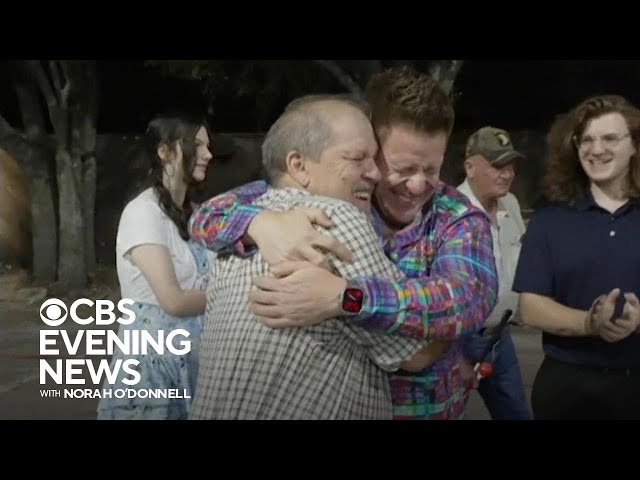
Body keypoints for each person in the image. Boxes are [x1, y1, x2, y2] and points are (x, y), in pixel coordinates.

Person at [189, 68, 498, 420]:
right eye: (402, 168)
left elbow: (469, 298)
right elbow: (208, 216)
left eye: (431, 170)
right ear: (372, 150)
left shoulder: (456, 217)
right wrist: (259, 223)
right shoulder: (329, 206)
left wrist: (346, 298)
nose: (417, 185)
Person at [513, 94, 640, 419]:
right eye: (587, 140)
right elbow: (531, 307)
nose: (597, 149)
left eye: (610, 138)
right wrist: (590, 323)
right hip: (567, 387)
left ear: (635, 145)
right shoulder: (550, 220)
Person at [97, 112, 215, 420]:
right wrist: (233, 296)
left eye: (208, 146)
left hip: (193, 363)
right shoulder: (143, 212)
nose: (207, 154)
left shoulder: (199, 215)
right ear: (165, 151)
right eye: (197, 145)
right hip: (153, 366)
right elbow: (173, 300)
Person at [457, 126, 531, 420]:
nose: (507, 174)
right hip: (458, 341)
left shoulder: (511, 204)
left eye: (511, 166)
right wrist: (456, 354)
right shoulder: (448, 211)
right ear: (470, 167)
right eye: (497, 166)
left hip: (501, 336)